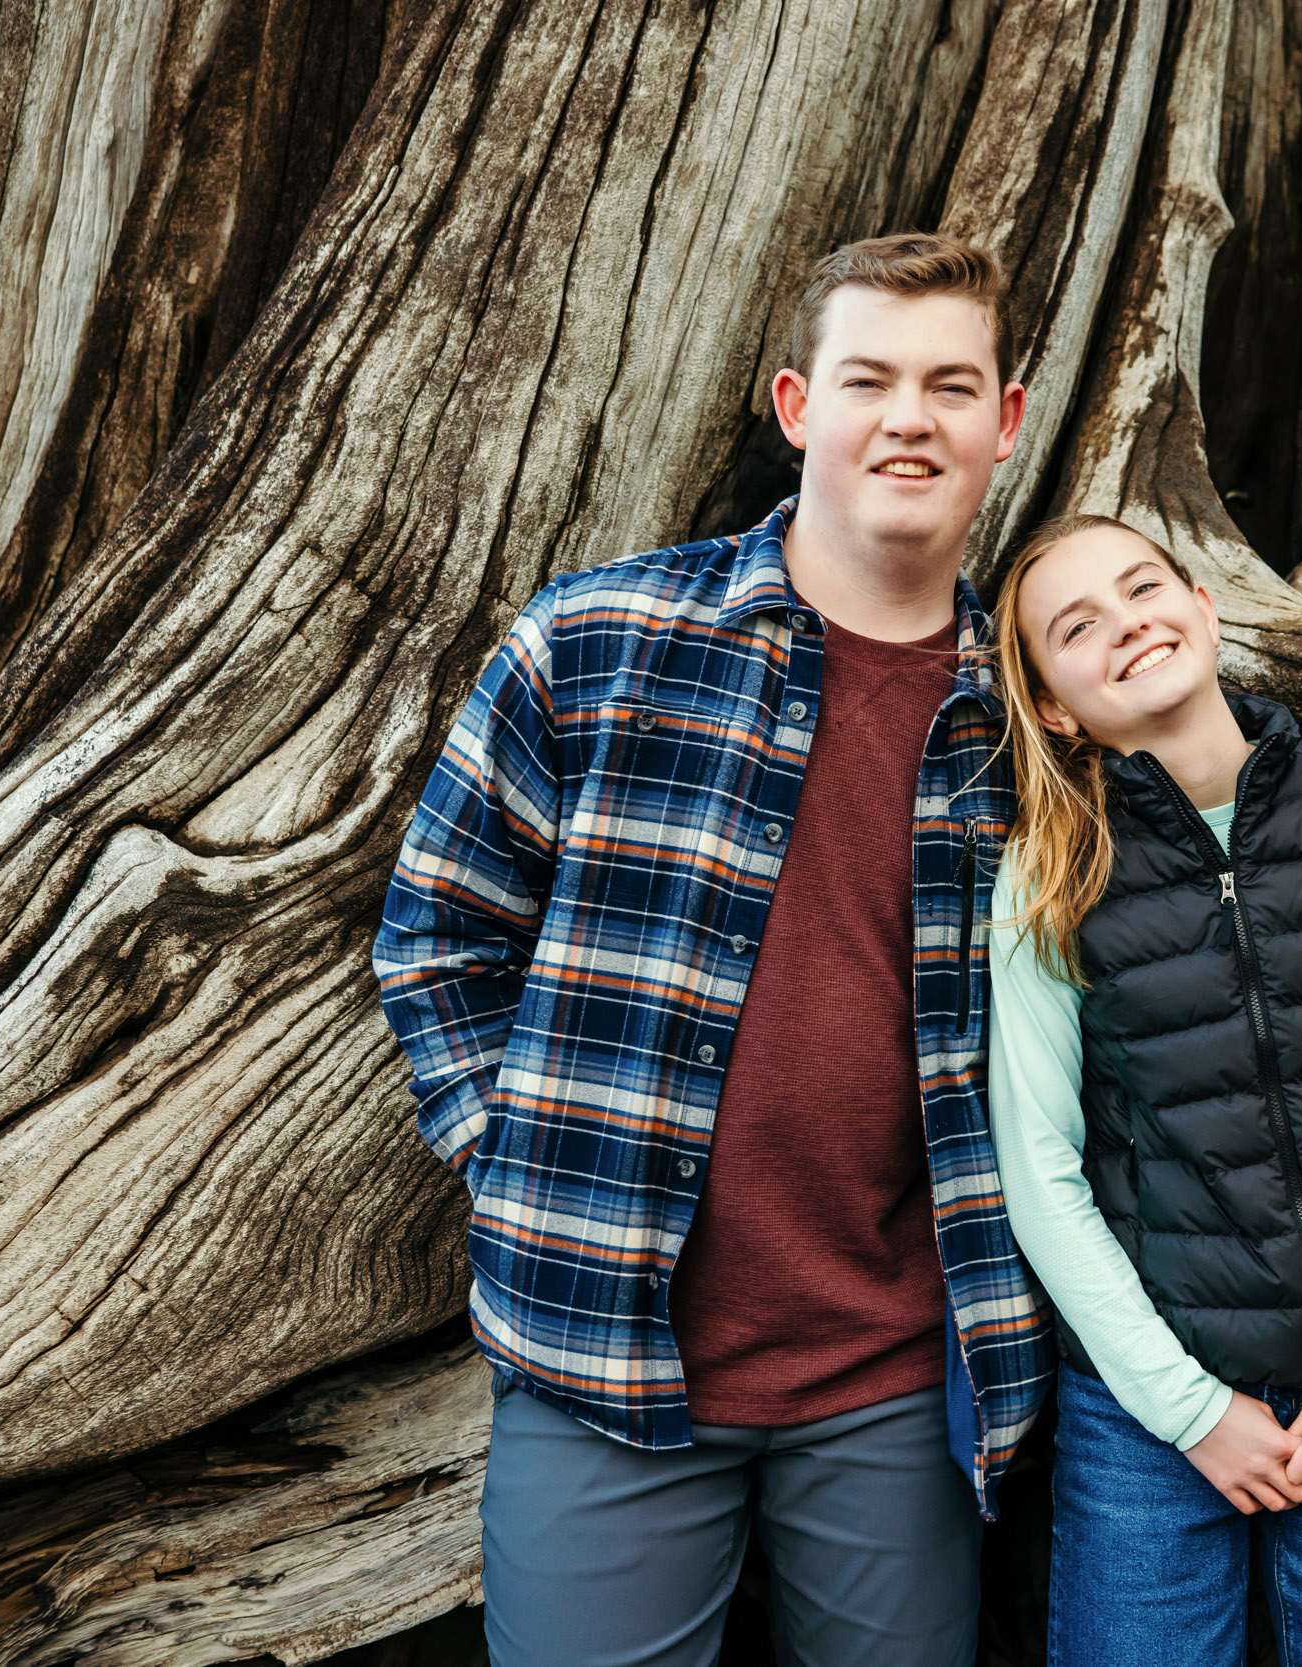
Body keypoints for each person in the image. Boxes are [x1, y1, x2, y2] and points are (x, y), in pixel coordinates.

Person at [371, 232, 1049, 1667]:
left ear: (1009, 418)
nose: (909, 417)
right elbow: (436, 927)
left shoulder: (1040, 731)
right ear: (800, 407)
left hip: (894, 1372)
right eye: (870, 378)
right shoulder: (598, 642)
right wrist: (517, 1149)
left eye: (949, 383)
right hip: (600, 1342)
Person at [983, 513, 1302, 1666]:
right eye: (1077, 626)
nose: (1126, 624)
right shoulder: (1051, 876)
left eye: (1144, 586)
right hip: (1148, 1418)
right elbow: (1040, 1168)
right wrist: (1189, 1410)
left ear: (1205, 610)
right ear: (1055, 705)